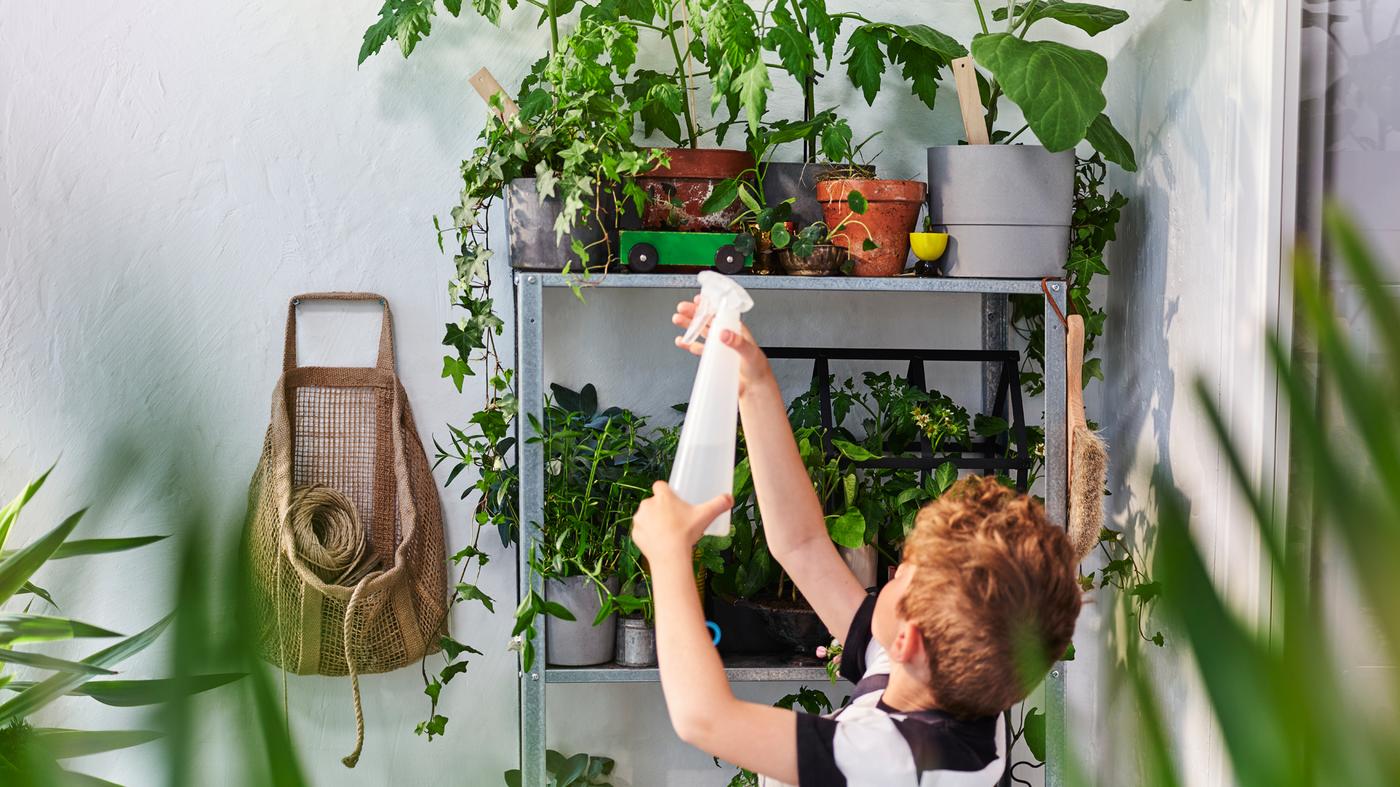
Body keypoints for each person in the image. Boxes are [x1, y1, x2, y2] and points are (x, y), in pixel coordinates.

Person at [628, 298, 1083, 787]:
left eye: (899, 575)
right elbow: (801, 545)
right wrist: (755, 385)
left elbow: (705, 718)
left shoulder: (899, 759)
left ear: (910, 640)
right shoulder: (950, 686)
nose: (888, 574)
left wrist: (670, 557)